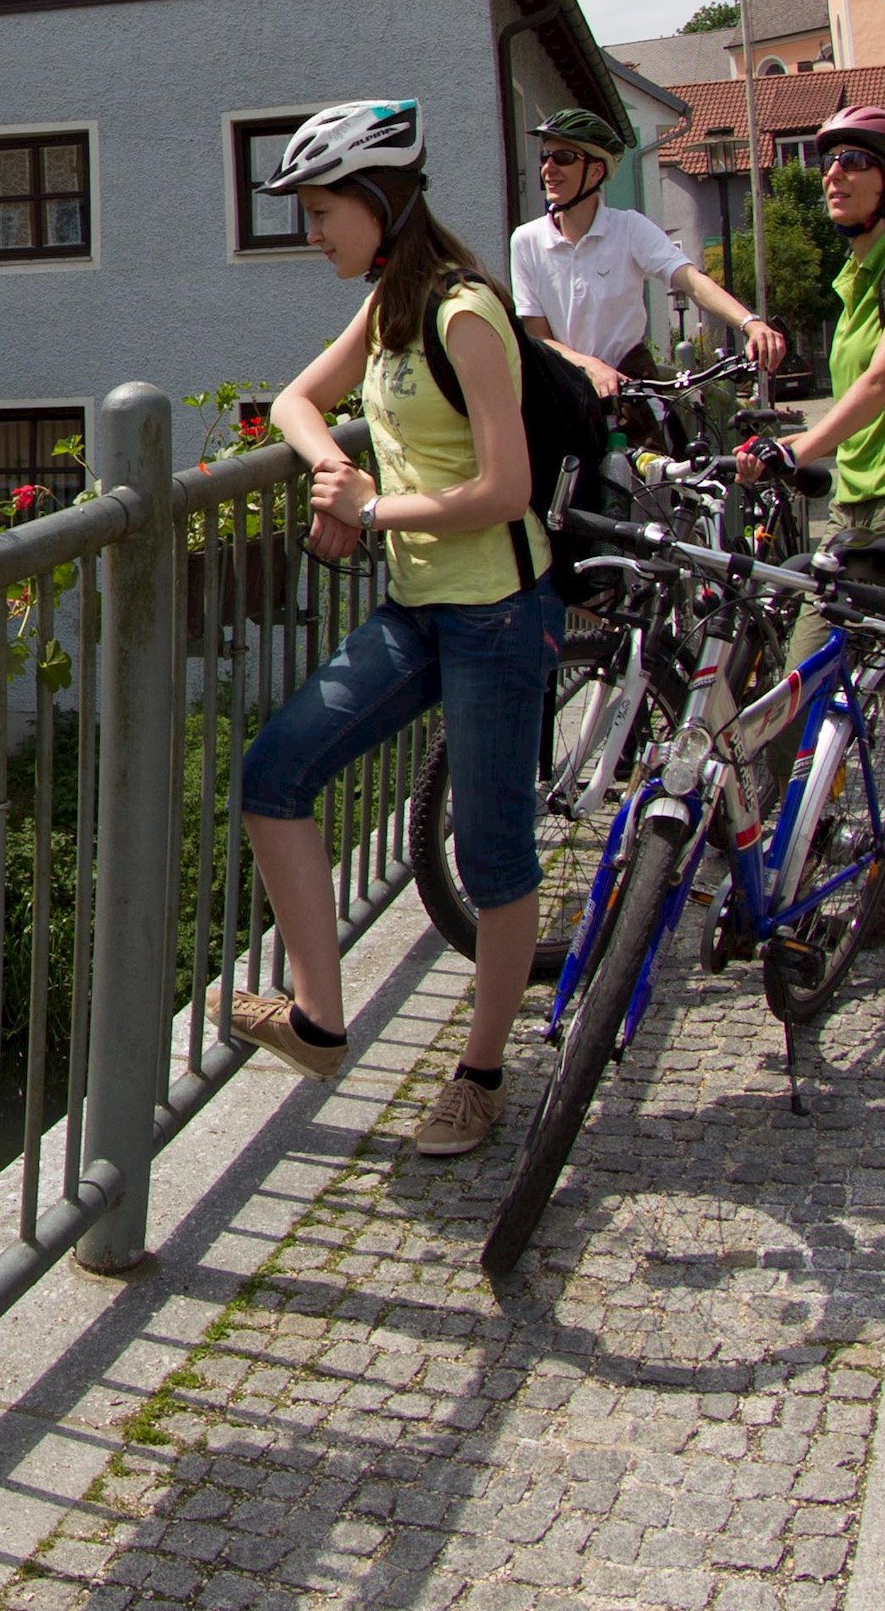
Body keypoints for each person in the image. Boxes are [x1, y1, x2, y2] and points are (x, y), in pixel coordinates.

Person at [227, 100, 570, 1160]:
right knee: (271, 775)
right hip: (419, 607)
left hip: (499, 614)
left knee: (492, 854)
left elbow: (506, 486)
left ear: (382, 202)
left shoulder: (461, 311)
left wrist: (369, 511)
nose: (312, 232)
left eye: (325, 210)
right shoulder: (385, 309)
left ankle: (479, 1074)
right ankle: (322, 1021)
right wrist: (330, 465)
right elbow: (291, 400)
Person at [736, 101, 885, 942]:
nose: (831, 175)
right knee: (795, 689)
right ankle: (784, 862)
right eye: (827, 162)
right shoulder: (850, 278)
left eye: (853, 163)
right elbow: (849, 393)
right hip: (853, 511)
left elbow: (879, 381)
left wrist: (803, 445)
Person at [509, 107, 788, 393]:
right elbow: (537, 336)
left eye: (563, 157)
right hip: (566, 395)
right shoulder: (526, 240)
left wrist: (751, 324)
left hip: (632, 389)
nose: (548, 168)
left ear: (596, 172)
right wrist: (589, 365)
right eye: (545, 156)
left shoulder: (629, 229)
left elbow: (690, 280)